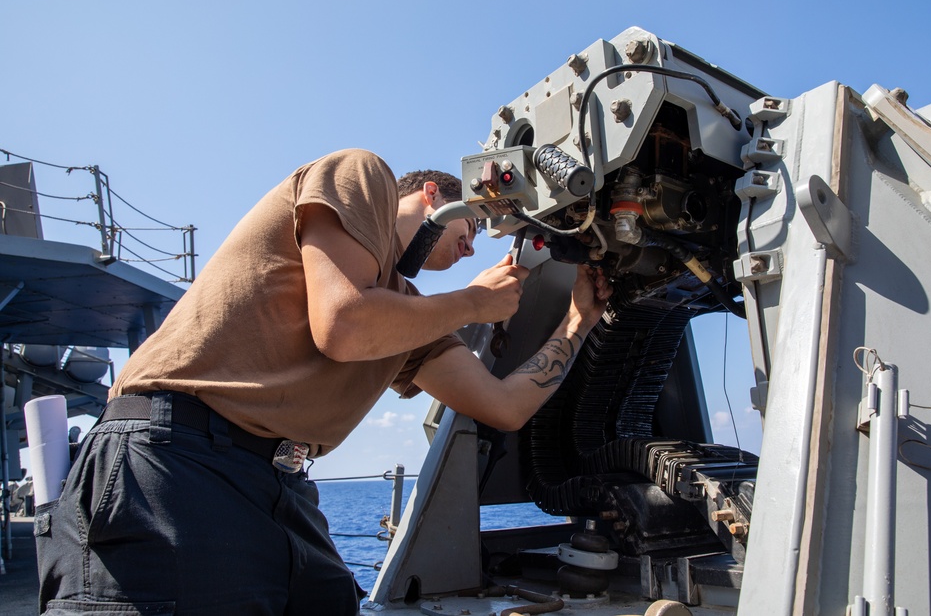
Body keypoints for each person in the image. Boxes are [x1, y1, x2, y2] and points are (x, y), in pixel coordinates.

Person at [35, 148, 611, 615]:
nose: (473, 243)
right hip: (175, 465)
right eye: (473, 223)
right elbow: (343, 326)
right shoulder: (364, 172)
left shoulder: (407, 314)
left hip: (278, 485)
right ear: (431, 195)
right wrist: (470, 303)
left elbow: (505, 406)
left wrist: (579, 321)